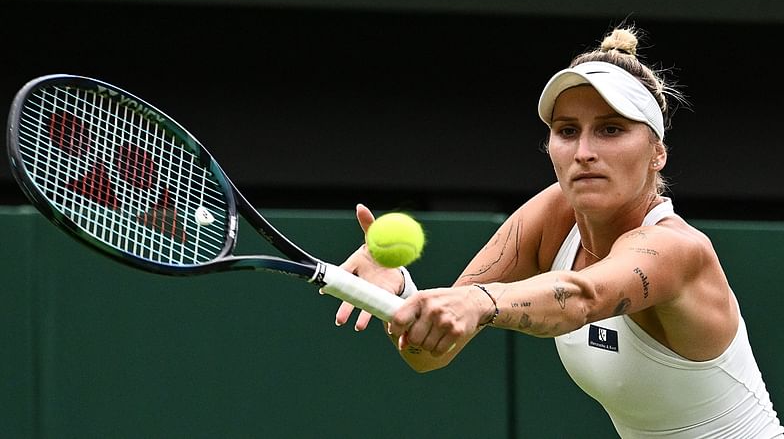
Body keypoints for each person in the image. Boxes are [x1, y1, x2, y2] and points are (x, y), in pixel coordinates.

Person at [332, 25, 784, 438]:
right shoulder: (554, 213)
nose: (584, 151)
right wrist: (398, 298)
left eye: (610, 130)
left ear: (656, 153)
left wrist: (478, 301)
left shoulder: (676, 249)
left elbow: (582, 297)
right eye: (568, 131)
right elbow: (431, 354)